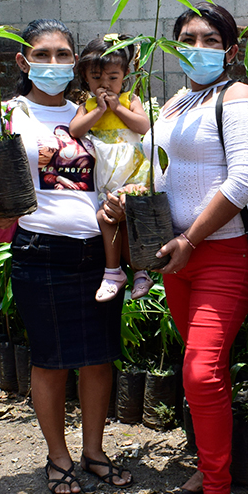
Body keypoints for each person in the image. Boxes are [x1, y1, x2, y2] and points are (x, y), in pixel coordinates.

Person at [106, 3, 248, 494]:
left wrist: (191, 237)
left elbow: (243, 180)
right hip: (175, 255)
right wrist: (133, 200)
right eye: (187, 38)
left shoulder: (238, 97)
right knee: (200, 373)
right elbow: (161, 165)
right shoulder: (177, 99)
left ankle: (217, 491)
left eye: (210, 38)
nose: (197, 47)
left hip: (218, 251)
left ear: (231, 49)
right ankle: (207, 468)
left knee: (202, 370)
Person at [0, 19, 130, 494]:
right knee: (51, 360)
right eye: (44, 54)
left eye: (64, 55)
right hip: (40, 251)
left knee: (99, 359)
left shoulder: (94, 111)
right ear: (24, 61)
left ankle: (94, 451)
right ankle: (57, 456)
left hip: (99, 252)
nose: (55, 64)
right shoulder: (5, 116)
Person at [68, 34, 152, 303]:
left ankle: (140, 272)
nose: (105, 85)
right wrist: (99, 110)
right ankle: (114, 272)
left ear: (126, 74)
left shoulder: (130, 100)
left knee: (130, 221)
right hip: (105, 176)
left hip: (133, 172)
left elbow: (144, 127)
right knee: (107, 218)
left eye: (112, 78)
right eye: (96, 79)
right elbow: (75, 130)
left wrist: (117, 107)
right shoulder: (88, 105)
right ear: (85, 76)